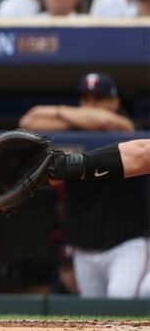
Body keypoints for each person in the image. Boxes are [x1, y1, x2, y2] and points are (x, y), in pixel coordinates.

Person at [21, 73, 148, 299]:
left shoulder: (128, 129)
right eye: (86, 99)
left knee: (122, 302)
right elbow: (28, 122)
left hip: (126, 244)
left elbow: (106, 121)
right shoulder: (71, 133)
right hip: (83, 246)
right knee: (93, 314)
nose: (91, 105)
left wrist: (59, 112)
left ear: (115, 102)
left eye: (99, 99)